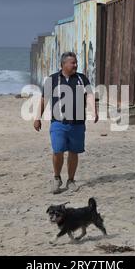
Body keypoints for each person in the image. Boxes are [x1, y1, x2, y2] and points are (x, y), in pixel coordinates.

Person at [34, 52, 98, 194]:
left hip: (77, 123)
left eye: (76, 62)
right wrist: (37, 117)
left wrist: (94, 111)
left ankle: (71, 180)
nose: (75, 65)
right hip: (58, 122)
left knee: (74, 152)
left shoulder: (82, 79)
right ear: (63, 64)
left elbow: (90, 95)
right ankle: (57, 178)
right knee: (58, 150)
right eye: (72, 63)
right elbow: (44, 99)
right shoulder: (52, 79)